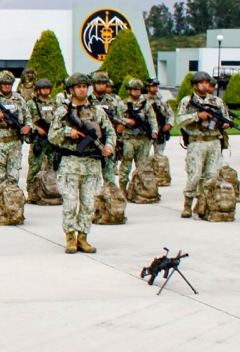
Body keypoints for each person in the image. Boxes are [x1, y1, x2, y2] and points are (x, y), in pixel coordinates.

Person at [48, 73, 115, 254]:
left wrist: (109, 146)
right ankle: (70, 238)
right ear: (71, 90)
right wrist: (69, 132)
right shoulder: (63, 112)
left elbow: (110, 131)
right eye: (79, 87)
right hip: (70, 163)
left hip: (91, 165)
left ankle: (83, 238)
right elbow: (52, 136)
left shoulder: (96, 111)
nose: (82, 89)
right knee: (70, 203)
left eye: (85, 86)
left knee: (88, 203)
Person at [174, 71, 233, 218]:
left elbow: (226, 118)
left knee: (211, 176)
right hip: (196, 142)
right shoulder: (187, 101)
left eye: (207, 82)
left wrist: (226, 124)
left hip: (213, 142)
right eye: (202, 82)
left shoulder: (217, 101)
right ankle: (187, 205)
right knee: (195, 175)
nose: (205, 85)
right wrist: (197, 116)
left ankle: (202, 204)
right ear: (194, 85)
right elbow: (180, 120)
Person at [0, 70, 31, 188]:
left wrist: (28, 126)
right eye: (4, 84)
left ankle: (11, 202)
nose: (7, 86)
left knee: (13, 176)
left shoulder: (19, 100)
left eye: (9, 84)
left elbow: (28, 117)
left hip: (15, 143)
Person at [116, 78, 158, 189]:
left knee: (143, 166)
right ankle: (122, 188)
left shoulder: (146, 104)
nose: (137, 91)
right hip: (128, 139)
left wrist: (154, 131)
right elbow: (117, 118)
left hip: (143, 139)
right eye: (134, 89)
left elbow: (152, 119)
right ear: (129, 90)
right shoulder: (122, 104)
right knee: (126, 165)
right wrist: (126, 121)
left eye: (138, 89)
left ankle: (141, 189)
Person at [24, 79, 59, 195]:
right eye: (43, 88)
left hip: (51, 139)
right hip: (38, 139)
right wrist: (36, 128)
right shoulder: (31, 104)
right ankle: (31, 192)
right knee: (35, 166)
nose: (46, 90)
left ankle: (50, 191)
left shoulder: (54, 103)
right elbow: (25, 119)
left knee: (53, 167)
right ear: (38, 90)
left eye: (48, 88)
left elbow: (59, 120)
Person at [146, 79, 174, 157]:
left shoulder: (162, 100)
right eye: (152, 86)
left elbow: (170, 114)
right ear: (148, 87)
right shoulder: (143, 101)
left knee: (159, 156)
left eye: (156, 86)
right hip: (146, 131)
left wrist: (169, 124)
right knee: (144, 156)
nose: (155, 88)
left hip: (160, 131)